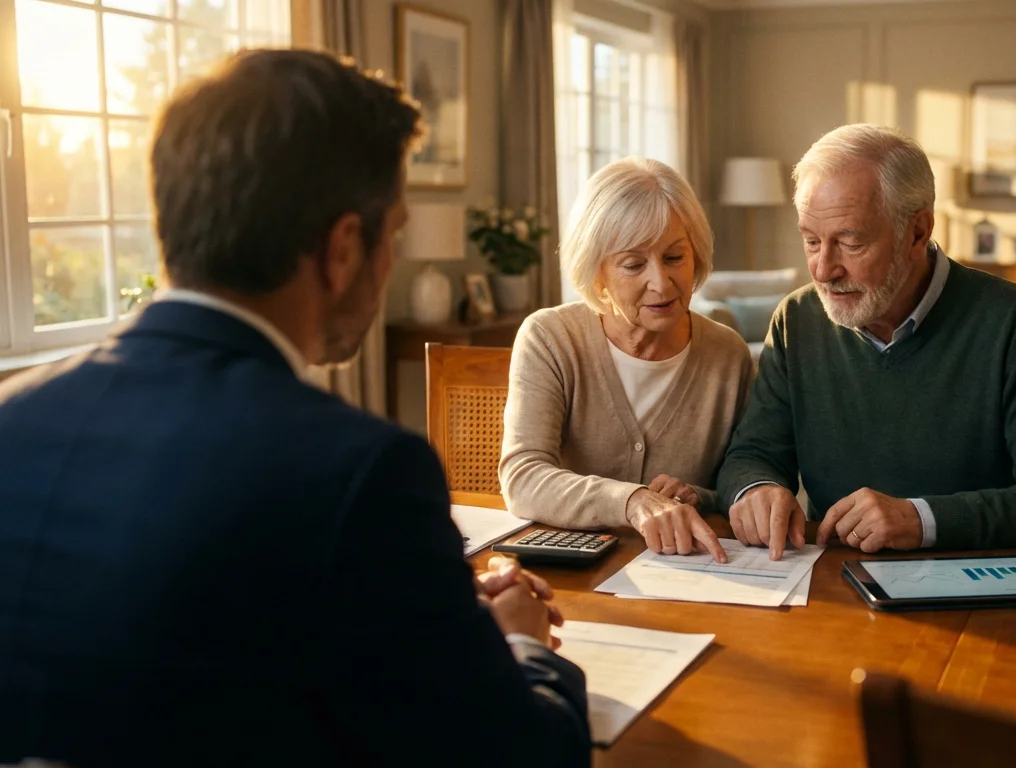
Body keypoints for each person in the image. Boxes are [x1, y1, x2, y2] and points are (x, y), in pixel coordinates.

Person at [0, 50, 589, 767]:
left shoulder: (13, 420)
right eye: (394, 235)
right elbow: (523, 755)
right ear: (344, 249)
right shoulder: (361, 469)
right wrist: (522, 644)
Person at [716, 124, 1016, 559]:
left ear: (918, 232)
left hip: (976, 587)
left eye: (850, 242)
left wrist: (922, 520)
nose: (823, 270)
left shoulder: (1013, 321)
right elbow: (751, 454)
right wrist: (757, 488)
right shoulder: (796, 319)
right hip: (836, 585)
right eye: (811, 241)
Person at [500, 158, 753, 563]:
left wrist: (697, 497)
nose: (661, 282)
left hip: (686, 577)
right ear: (596, 273)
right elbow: (523, 477)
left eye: (674, 258)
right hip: (572, 579)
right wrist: (631, 500)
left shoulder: (729, 355)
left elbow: (739, 481)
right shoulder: (549, 338)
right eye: (634, 264)